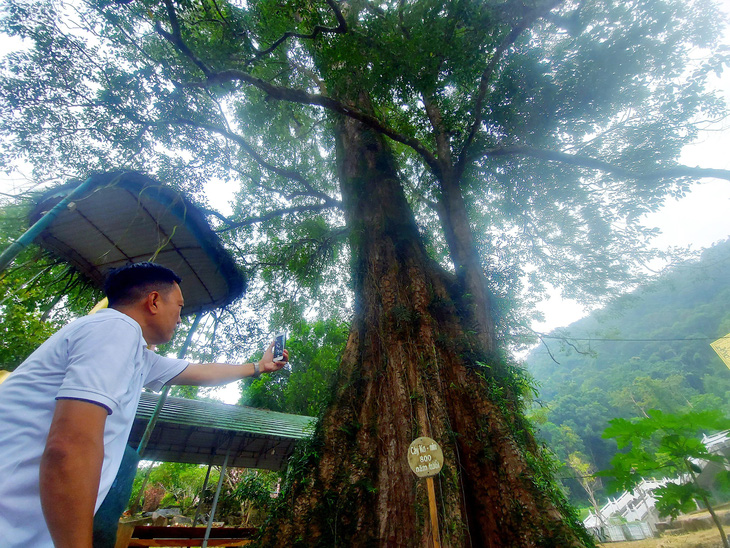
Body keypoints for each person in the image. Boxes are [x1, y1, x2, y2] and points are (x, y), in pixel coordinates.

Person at [0, 262, 288, 548]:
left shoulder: (134, 351)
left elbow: (200, 372)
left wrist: (258, 367)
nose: (179, 319)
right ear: (153, 301)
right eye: (178, 306)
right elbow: (70, 444)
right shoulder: (116, 328)